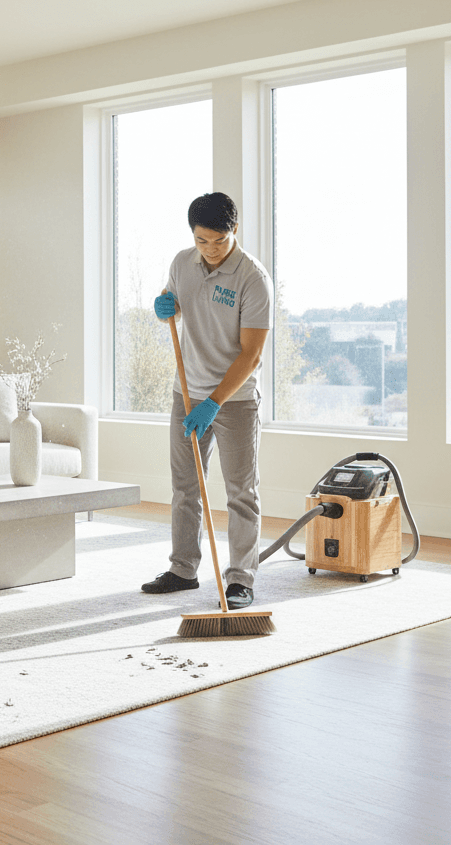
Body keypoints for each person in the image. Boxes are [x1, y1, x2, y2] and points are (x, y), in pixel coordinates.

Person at [141, 192, 273, 609]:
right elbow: (174, 303)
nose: (211, 250)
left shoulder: (253, 278)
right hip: (187, 391)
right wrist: (166, 308)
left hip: (233, 400)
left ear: (235, 230)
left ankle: (240, 580)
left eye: (219, 240)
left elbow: (251, 355)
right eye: (202, 241)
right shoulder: (183, 262)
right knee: (185, 487)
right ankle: (183, 569)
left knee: (240, 491)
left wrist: (214, 401)